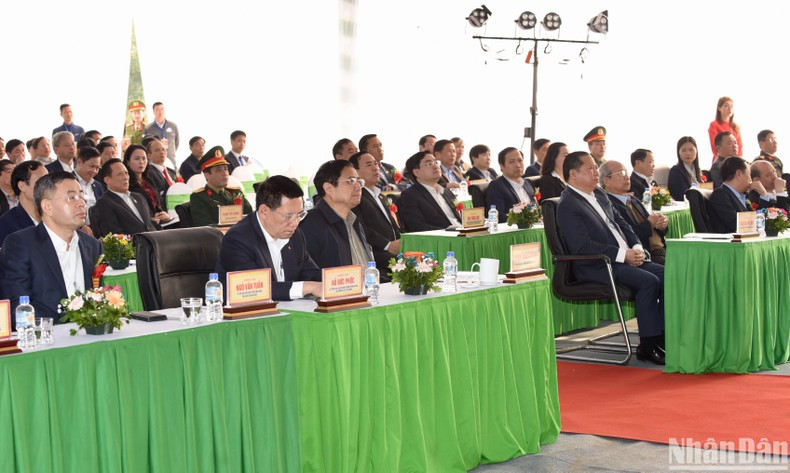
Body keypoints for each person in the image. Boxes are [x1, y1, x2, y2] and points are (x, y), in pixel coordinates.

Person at [556, 151, 665, 364]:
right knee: (649, 281)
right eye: (590, 168)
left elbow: (622, 224)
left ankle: (663, 336)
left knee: (670, 275)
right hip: (597, 265)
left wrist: (635, 245)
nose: (596, 172)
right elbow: (582, 246)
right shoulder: (568, 204)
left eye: (596, 168)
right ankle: (648, 344)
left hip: (625, 256)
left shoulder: (599, 194)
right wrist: (623, 255)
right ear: (573, 174)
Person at [0, 172, 101, 321]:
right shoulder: (21, 244)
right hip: (46, 337)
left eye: (81, 196)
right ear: (47, 206)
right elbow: (17, 306)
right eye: (71, 197)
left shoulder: (92, 245)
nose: (81, 203)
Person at [216, 175, 322, 301]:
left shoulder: (296, 235)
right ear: (264, 211)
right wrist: (307, 287)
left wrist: (338, 282)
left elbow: (312, 274)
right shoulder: (238, 239)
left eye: (299, 215)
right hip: (248, 315)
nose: (295, 223)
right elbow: (256, 289)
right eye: (288, 217)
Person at [299, 160, 373, 269]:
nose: (358, 187)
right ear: (329, 189)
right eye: (351, 181)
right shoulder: (309, 224)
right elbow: (309, 274)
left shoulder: (353, 220)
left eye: (359, 181)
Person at [601, 161, 668, 264]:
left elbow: (654, 226)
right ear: (607, 181)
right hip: (645, 255)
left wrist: (661, 224)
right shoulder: (608, 205)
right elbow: (625, 236)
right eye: (621, 173)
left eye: (627, 172)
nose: (627, 177)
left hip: (662, 248)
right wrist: (649, 224)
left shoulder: (633, 199)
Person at [349, 152, 401, 273]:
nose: (375, 168)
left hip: (395, 251)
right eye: (369, 164)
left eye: (376, 164)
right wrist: (387, 245)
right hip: (376, 256)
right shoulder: (357, 197)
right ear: (355, 171)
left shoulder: (380, 196)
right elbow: (359, 227)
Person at [92, 159, 161, 235]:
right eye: (120, 174)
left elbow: (151, 224)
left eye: (126, 173)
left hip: (156, 241)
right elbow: (115, 235)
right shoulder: (104, 204)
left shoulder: (139, 197)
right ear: (107, 180)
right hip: (136, 245)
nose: (125, 177)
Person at [398, 151, 462, 232]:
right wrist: (448, 231)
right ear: (417, 172)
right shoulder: (410, 195)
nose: (435, 166)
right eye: (429, 164)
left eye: (436, 162)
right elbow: (417, 226)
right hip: (443, 239)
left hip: (462, 234)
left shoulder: (447, 192)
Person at [190, 146, 252, 226]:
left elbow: (251, 218)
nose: (225, 173)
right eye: (219, 170)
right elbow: (206, 228)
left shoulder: (236, 193)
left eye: (226, 169)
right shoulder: (199, 198)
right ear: (207, 175)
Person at [0, 161, 48, 245]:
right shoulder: (6, 224)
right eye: (41, 181)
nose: (47, 187)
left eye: (49, 181)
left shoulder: (55, 216)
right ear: (22, 186)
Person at [485, 147, 536, 222]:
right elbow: (499, 216)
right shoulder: (496, 186)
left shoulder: (528, 183)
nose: (518, 165)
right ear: (502, 166)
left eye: (520, 160)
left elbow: (535, 208)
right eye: (511, 162)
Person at [708, 157, 756, 233]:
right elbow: (735, 224)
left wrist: (763, 194)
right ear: (739, 174)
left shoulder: (744, 195)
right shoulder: (720, 195)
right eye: (749, 174)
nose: (751, 179)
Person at [124, 145, 170, 222]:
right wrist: (151, 218)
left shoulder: (149, 180)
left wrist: (165, 214)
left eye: (144, 158)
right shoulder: (126, 184)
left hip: (160, 222)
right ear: (128, 162)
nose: (141, 162)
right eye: (136, 158)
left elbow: (159, 202)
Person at [143, 102, 180, 170]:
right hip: (155, 165)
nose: (160, 112)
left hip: (171, 162)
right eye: (157, 110)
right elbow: (146, 146)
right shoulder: (148, 128)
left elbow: (176, 143)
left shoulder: (173, 126)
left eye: (162, 109)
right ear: (153, 112)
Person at [72, 146, 103, 227]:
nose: (94, 171)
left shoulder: (98, 186)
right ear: (79, 162)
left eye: (97, 168)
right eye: (91, 166)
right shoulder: (67, 181)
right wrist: (81, 226)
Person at [707, 96, 743, 163]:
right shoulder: (714, 125)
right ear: (719, 108)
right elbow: (714, 146)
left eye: (731, 106)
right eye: (726, 106)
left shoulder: (735, 127)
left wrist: (738, 161)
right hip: (721, 161)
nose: (730, 109)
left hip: (735, 161)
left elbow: (740, 146)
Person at [668, 136, 702, 201]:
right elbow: (681, 195)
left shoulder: (698, 170)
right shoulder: (675, 171)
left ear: (696, 151)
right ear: (678, 152)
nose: (688, 153)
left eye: (691, 150)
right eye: (683, 150)